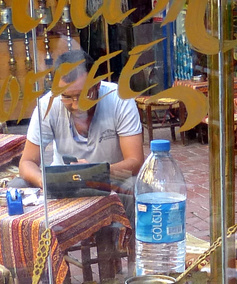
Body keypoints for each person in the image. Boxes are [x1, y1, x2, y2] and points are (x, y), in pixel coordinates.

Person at [18, 49, 144, 189]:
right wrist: (45, 182)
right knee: (18, 185)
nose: (76, 105)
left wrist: (94, 172)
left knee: (135, 186)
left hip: (109, 179)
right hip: (65, 183)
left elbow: (135, 161)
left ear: (97, 85)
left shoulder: (119, 100)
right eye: (66, 97)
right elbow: (27, 162)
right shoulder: (47, 106)